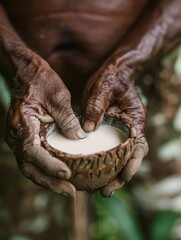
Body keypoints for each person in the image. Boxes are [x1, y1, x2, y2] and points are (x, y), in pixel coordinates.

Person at [0, 0, 180, 198]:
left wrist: (128, 65)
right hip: (20, 99)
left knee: (169, 206)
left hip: (138, 86)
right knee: (28, 212)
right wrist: (19, 63)